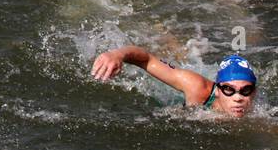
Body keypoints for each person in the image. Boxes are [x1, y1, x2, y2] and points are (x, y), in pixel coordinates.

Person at [90, 48, 260, 117]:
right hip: (180, 103)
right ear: (217, 89)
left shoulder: (260, 113)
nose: (238, 98)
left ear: (254, 92)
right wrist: (118, 55)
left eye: (245, 91)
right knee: (180, 53)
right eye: (229, 90)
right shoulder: (196, 87)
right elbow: (147, 60)